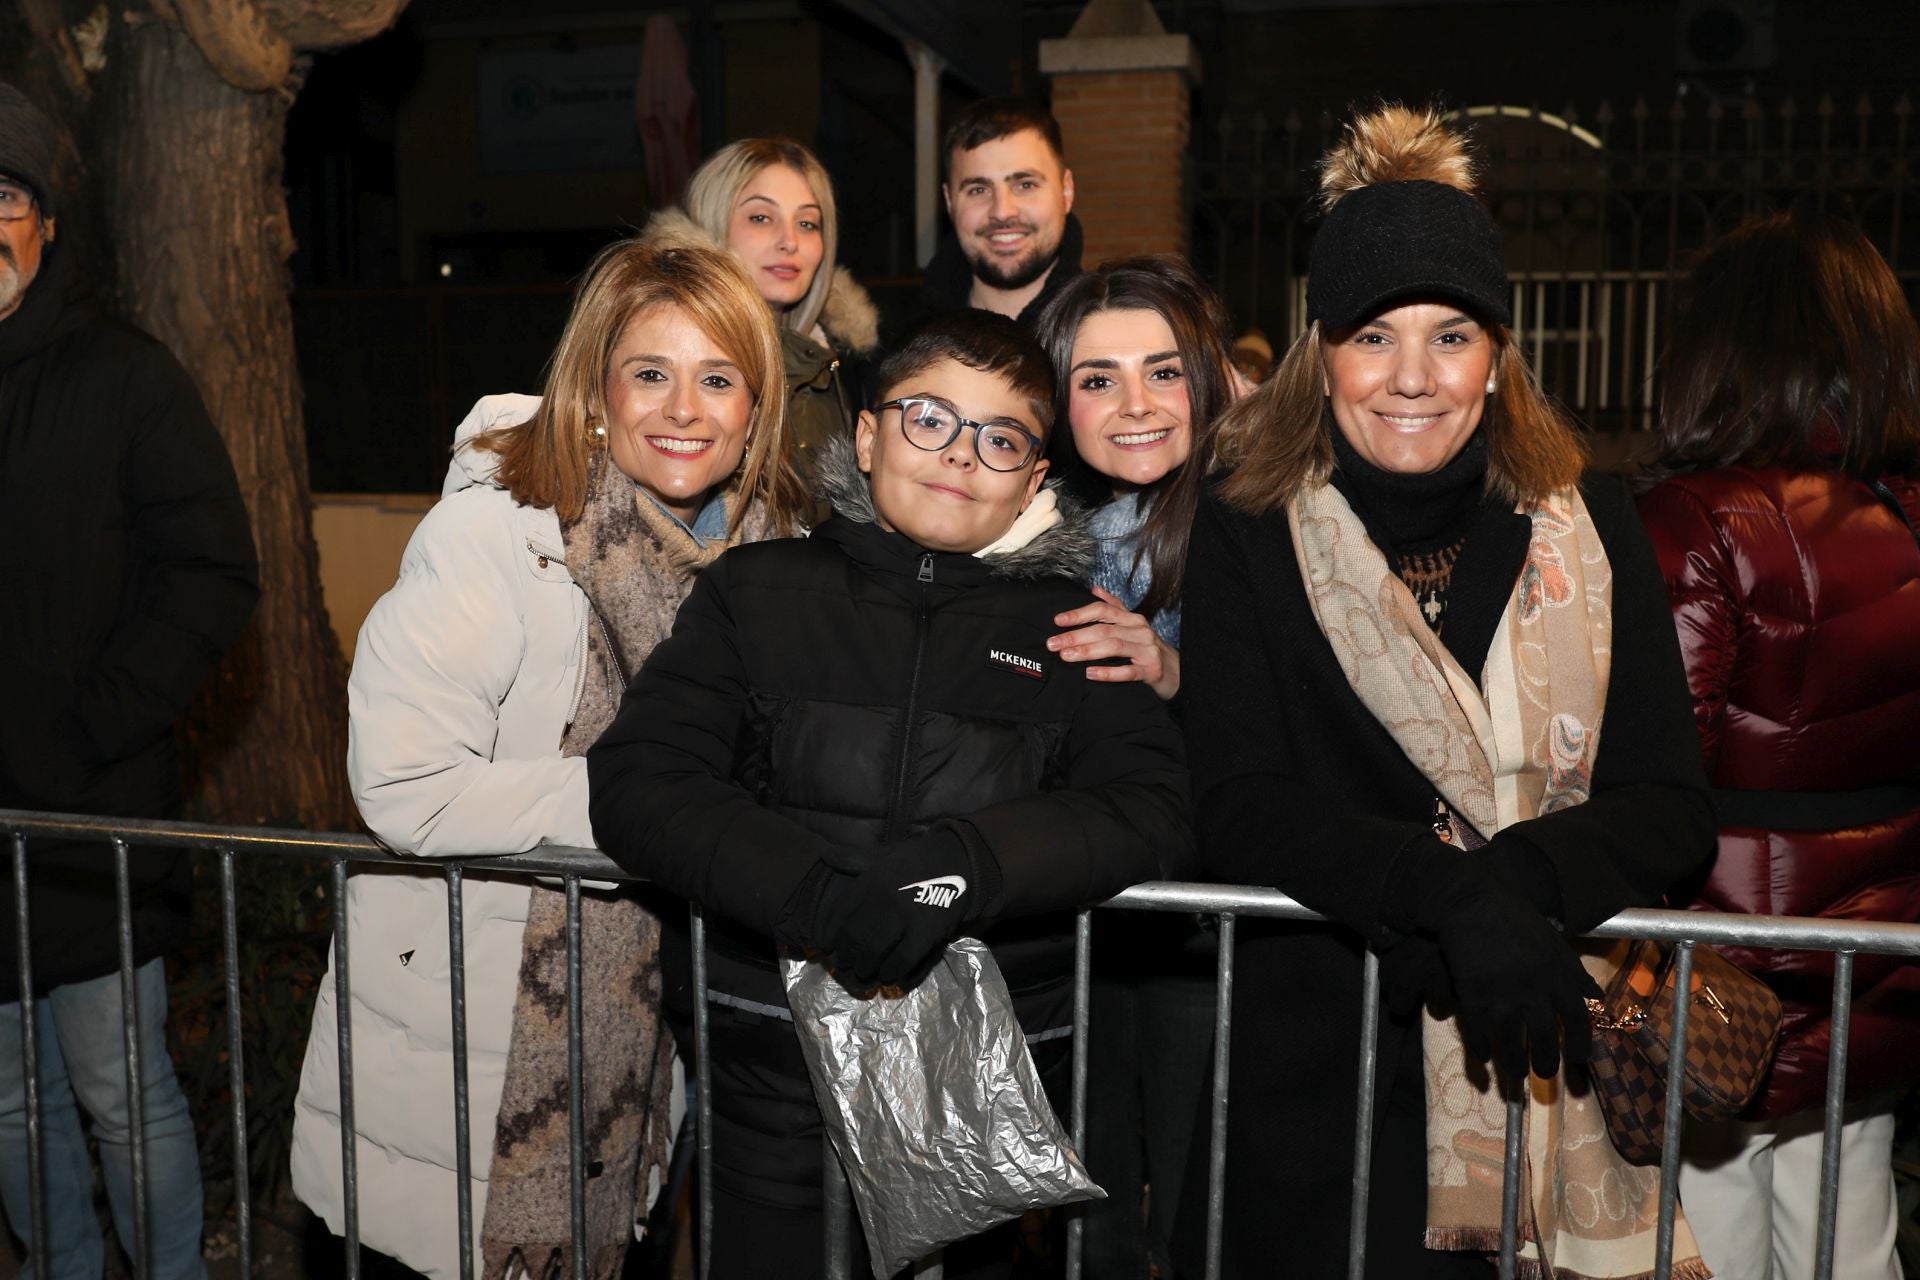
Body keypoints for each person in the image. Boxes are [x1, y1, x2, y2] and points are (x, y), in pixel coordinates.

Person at [1174, 104, 1716, 1278]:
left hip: (1541, 1040)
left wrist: (1513, 887)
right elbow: (1235, 795)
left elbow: (1669, 802)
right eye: (1374, 335)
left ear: (1498, 352)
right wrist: (1442, 894)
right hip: (1320, 1075)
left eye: (1452, 334)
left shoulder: (1599, 523)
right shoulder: (1247, 531)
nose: (1412, 378)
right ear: (1324, 351)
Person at [585, 309, 1192, 1278]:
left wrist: (964, 866)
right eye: (928, 420)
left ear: (1036, 477)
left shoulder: (1073, 629)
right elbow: (640, 781)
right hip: (776, 1070)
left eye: (1000, 439)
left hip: (983, 1093)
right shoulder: (758, 589)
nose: (959, 456)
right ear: (867, 436)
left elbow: (1153, 806)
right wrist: (820, 897)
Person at [289, 231, 807, 1280]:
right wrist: (646, 805)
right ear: (597, 390)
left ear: (757, 407)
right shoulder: (505, 532)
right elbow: (405, 784)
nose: (681, 408)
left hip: (654, 1038)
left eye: (718, 379)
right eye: (650, 374)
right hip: (469, 1022)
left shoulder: (768, 563)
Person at [0, 84, 259, 1280]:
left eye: (1, 196)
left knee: (121, 1094)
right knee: (11, 1109)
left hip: (89, 824)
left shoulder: (125, 374)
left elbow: (213, 576)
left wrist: (87, 727)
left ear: (44, 223)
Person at [1637, 209, 1920, 1280]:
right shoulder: (1908, 513)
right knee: (1851, 1247)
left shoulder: (1700, 520)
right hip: (1876, 975)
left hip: (1722, 985)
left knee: (1712, 1250)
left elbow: (1663, 768)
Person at [1029, 256, 1237, 1277]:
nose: (1137, 404)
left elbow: (1302, 717)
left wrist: (1171, 667)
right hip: (1071, 927)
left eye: (1163, 371)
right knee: (1083, 1195)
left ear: (1204, 382)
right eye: (1099, 377)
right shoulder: (1029, 533)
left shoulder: (1264, 522)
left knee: (1206, 1201)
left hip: (1218, 921)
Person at [924, 98, 1083, 326]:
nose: (1002, 212)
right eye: (979, 189)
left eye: (1025, 185)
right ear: (949, 201)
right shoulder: (898, 350)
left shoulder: (1110, 344)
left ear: (1066, 191)